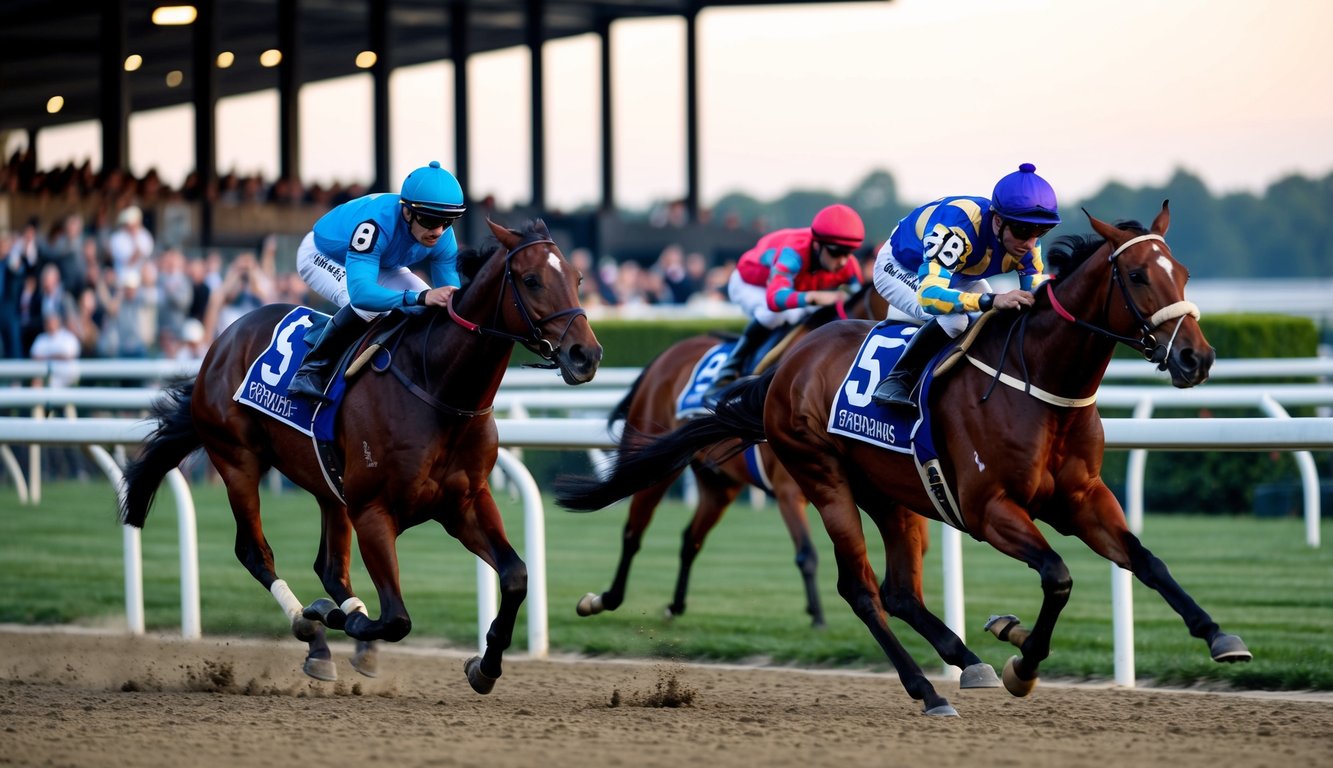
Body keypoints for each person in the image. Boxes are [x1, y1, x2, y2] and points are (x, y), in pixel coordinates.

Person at [869, 162, 1060, 407]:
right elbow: (930, 296)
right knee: (955, 320)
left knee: (988, 318)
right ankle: (897, 379)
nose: (1031, 243)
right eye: (1024, 231)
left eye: (1040, 232)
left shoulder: (1025, 243)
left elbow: (1035, 298)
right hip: (901, 266)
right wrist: (992, 300)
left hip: (958, 274)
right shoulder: (957, 229)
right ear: (999, 221)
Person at [289, 160, 466, 402]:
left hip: (379, 262)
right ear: (407, 211)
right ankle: (310, 370)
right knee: (364, 305)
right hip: (322, 254)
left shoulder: (443, 235)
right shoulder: (375, 223)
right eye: (429, 220)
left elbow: (450, 300)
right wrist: (419, 297)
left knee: (433, 309)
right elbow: (362, 293)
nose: (438, 231)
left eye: (447, 221)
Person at [704, 203, 866, 401]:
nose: (842, 261)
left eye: (847, 253)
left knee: (805, 315)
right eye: (835, 252)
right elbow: (774, 300)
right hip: (751, 284)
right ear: (817, 244)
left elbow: (861, 300)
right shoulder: (793, 252)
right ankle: (725, 375)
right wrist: (814, 297)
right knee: (775, 314)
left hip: (792, 287)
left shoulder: (848, 265)